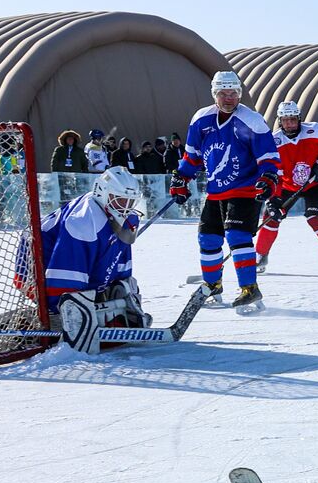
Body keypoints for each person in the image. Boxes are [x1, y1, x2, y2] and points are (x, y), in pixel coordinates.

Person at [167, 70, 279, 314]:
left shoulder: (251, 120)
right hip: (216, 190)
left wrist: (268, 177)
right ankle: (212, 286)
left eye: (233, 93)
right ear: (214, 94)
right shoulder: (201, 120)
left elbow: (269, 156)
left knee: (237, 236)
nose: (229, 98)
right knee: (207, 239)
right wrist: (181, 178)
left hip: (245, 190)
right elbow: (192, 155)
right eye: (223, 93)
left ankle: (249, 288)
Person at [16, 166, 151, 353]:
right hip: (32, 266)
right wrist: (66, 312)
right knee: (64, 302)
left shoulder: (124, 218)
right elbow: (62, 279)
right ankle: (51, 322)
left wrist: (116, 291)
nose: (126, 208)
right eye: (120, 200)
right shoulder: (81, 223)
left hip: (67, 256)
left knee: (116, 287)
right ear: (102, 193)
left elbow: (119, 262)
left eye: (131, 202)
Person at [257, 100, 318, 276]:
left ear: (299, 118)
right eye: (285, 120)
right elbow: (273, 173)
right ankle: (260, 256)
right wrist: (274, 198)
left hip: (315, 182)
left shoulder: (315, 129)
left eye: (293, 119)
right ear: (279, 121)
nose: (289, 123)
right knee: (271, 216)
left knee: (316, 217)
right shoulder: (274, 141)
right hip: (287, 185)